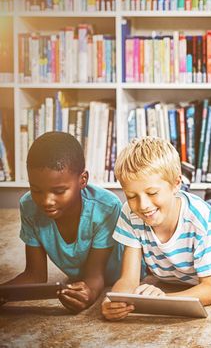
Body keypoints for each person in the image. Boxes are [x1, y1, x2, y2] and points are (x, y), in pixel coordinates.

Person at [101, 137, 211, 321]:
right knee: (154, 208)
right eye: (131, 196)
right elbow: (129, 279)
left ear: (175, 184)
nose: (142, 205)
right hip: (170, 271)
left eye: (152, 193)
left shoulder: (201, 218)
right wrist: (114, 301)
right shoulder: (130, 212)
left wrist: (163, 300)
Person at [0, 132, 122, 313]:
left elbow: (95, 276)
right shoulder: (29, 206)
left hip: (118, 276)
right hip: (79, 279)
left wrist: (90, 293)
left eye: (59, 191)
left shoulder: (106, 207)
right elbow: (35, 275)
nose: (46, 201)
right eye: (36, 190)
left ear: (83, 180)